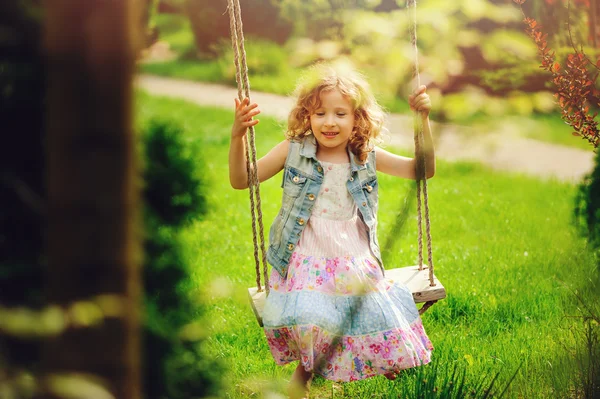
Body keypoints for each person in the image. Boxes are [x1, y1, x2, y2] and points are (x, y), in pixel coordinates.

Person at [229, 64, 435, 399]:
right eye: (320, 112)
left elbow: (422, 171)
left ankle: (379, 358)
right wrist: (237, 136)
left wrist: (422, 121)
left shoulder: (365, 155)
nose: (329, 122)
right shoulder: (292, 150)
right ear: (306, 115)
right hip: (304, 253)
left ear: (358, 118)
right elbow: (242, 180)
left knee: (371, 306)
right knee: (314, 314)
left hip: (351, 253)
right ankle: (303, 379)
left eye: (341, 113)